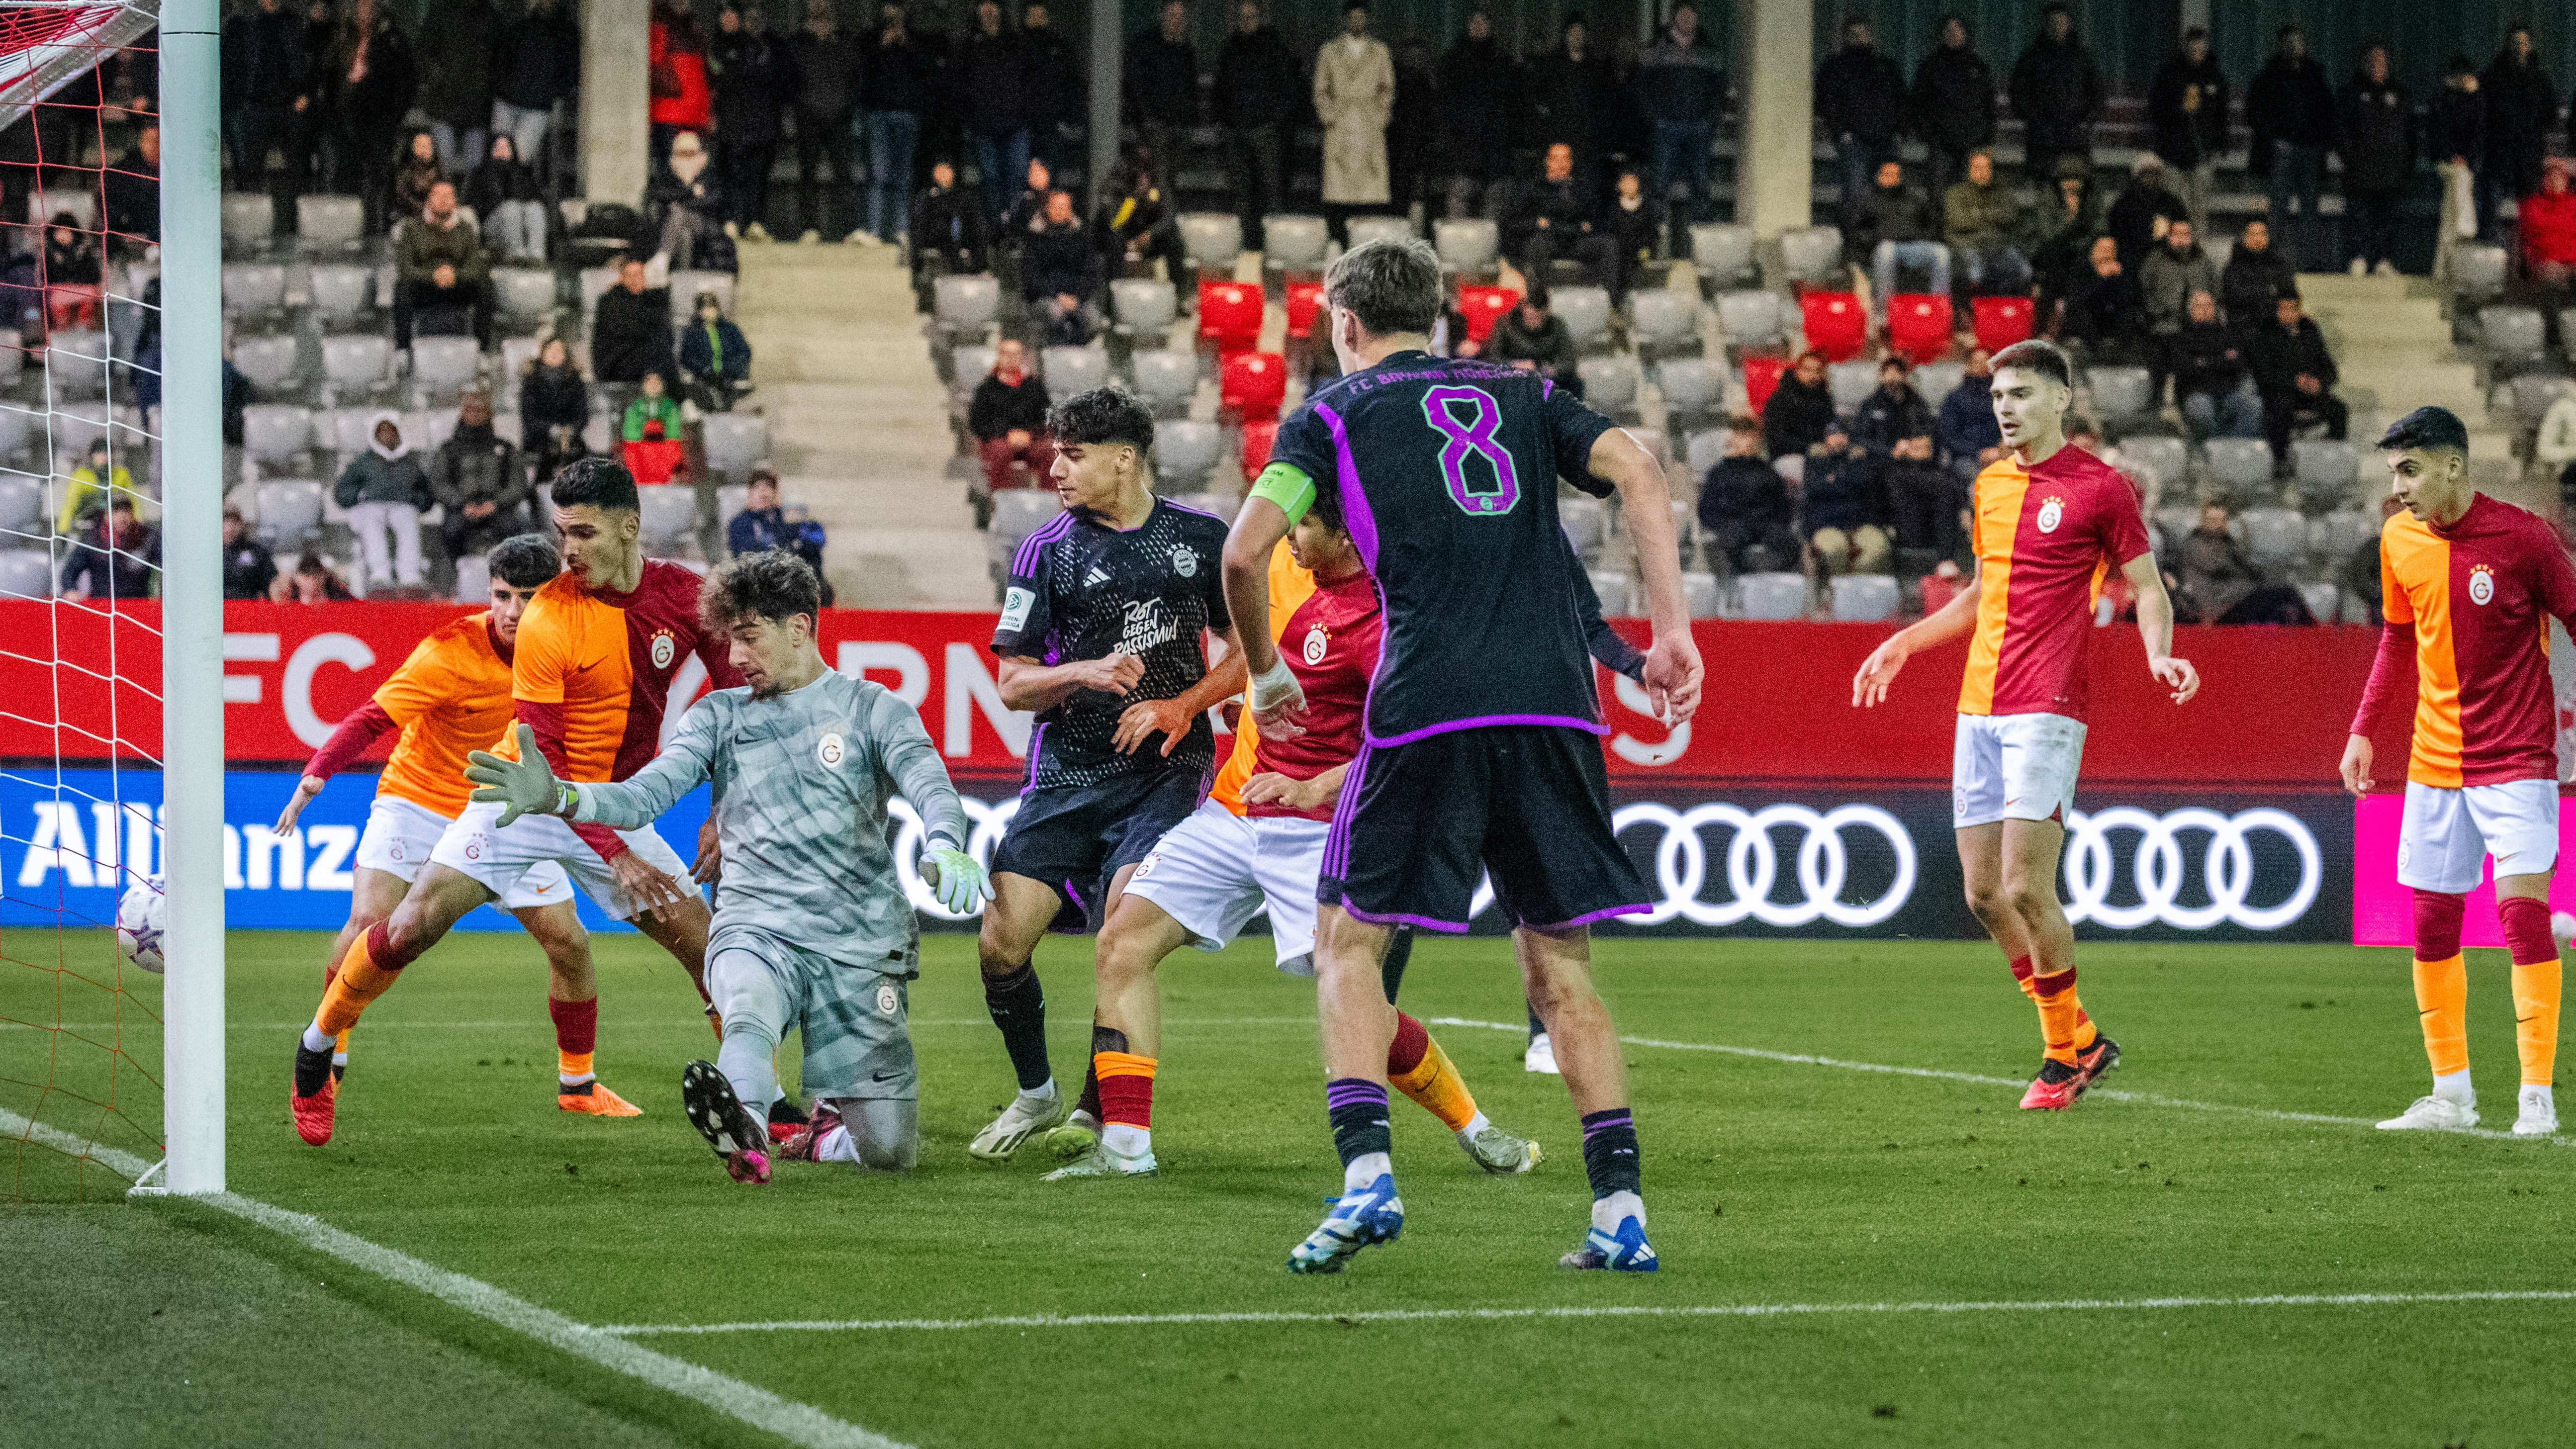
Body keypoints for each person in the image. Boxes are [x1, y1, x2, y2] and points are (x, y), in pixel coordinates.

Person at [1221, 236, 1698, 1274]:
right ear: (1433, 316)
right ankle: (1620, 1213)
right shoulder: (1525, 391)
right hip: (1554, 708)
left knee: (1346, 944)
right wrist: (1670, 630)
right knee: (1560, 968)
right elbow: (1640, 471)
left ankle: (1365, 1181)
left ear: (1344, 323)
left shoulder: (1332, 416)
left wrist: (1263, 671)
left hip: (1427, 700)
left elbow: (1245, 551)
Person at [1046, 498, 1539, 1180]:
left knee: (1357, 998)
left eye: (1305, 525)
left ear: (1345, 534)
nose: (1290, 535)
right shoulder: (1310, 593)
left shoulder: (1380, 623)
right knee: (1121, 940)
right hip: (1236, 811)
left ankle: (1478, 1129)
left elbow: (1407, 747)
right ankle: (1126, 1147)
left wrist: (1313, 788)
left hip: (1317, 830)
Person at [465, 549, 988, 1180]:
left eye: (747, 638)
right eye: (727, 639)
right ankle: (746, 1127)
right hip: (755, 923)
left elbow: (930, 785)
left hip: (858, 936)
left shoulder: (872, 708)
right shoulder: (719, 716)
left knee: (888, 1154)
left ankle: (825, 1137)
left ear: (798, 628)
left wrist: (945, 842)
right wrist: (562, 796)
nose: (733, 658)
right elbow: (641, 796)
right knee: (745, 1004)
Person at [287, 458, 743, 1147]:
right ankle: (319, 1045)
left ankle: (756, 1099)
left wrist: (721, 807)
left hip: (612, 805)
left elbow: (735, 707)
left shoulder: (687, 596)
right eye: (561, 533)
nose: (570, 551)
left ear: (631, 527)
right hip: (522, 799)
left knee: (708, 948)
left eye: (584, 533)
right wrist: (616, 855)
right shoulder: (550, 616)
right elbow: (547, 762)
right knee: (408, 926)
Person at [1853, 338, 2196, 1112]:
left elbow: (2146, 587)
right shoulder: (1991, 486)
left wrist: (2158, 656)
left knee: (2025, 887)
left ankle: (2059, 1056)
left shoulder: (2101, 488)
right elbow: (1980, 594)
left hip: (2047, 705)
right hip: (1980, 704)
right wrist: (1906, 641)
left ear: (2061, 400)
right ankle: (2083, 1036)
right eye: (1999, 395)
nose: (2005, 407)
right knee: (1981, 893)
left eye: (2021, 394)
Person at [271, 535, 641, 1119]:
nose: (515, 611)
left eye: (529, 597)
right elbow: (372, 719)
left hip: (502, 803)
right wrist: (315, 777)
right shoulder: (449, 649)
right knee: (372, 922)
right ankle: (327, 1059)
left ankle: (578, 1086)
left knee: (569, 941)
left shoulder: (571, 647)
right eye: (502, 596)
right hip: (416, 799)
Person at [969, 387, 1236, 1161]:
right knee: (999, 943)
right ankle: (1037, 1093)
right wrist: (1084, 671)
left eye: (1073, 454)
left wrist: (1183, 703)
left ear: (1124, 457)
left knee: (1122, 927)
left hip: (1165, 771)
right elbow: (1014, 684)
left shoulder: (1201, 540)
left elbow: (1249, 651)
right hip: (1065, 773)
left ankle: (1103, 1112)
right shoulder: (1047, 551)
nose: (1055, 469)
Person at [2343, 406, 2576, 1138]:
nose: (2400, 488)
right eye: (2394, 474)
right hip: (2432, 761)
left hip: (2517, 757)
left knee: (2520, 914)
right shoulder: (2398, 539)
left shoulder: (2526, 539)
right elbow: (2396, 639)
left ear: (2453, 465)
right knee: (2431, 922)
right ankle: (2451, 1096)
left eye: (2410, 471)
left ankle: (2535, 1097)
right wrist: (2362, 730)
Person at [2246, 25, 2336, 269]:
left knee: (2310, 208)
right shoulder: (2269, 77)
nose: (2294, 47)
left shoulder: (2315, 77)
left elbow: (2327, 113)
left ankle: (2310, 261)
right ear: (2280, 45)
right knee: (2278, 208)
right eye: (2289, 42)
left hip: (2309, 150)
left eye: (2298, 42)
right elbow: (2254, 113)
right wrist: (2275, 140)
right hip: (2281, 152)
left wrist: (2321, 143)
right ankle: (2273, 260)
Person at [1216, 2, 1300, 251]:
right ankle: (1245, 247)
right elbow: (1222, 87)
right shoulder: (1230, 48)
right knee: (1242, 193)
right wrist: (1226, 120)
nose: (1247, 21)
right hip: (1236, 129)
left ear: (1258, 18)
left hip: (1263, 128)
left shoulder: (1272, 47)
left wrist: (1273, 118)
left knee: (1271, 190)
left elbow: (1287, 83)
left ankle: (1276, 247)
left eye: (1251, 17)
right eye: (1243, 17)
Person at [1312, 1, 1393, 240]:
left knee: (1369, 197)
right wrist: (1330, 116)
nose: (1357, 20)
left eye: (1361, 16)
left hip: (1368, 125)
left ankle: (1365, 245)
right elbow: (1320, 89)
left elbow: (1387, 88)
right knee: (1339, 195)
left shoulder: (1380, 51)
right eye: (1353, 16)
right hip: (1341, 126)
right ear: (1346, 19)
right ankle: (1339, 245)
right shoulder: (1329, 51)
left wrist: (1379, 117)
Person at [1638, 2, 1722, 233]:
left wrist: (1710, 120)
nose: (1687, 19)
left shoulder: (1707, 49)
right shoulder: (1657, 48)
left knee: (1702, 188)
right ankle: (1659, 241)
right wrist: (1655, 119)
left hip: (1699, 129)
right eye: (1683, 15)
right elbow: (1643, 88)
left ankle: (1700, 244)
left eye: (1691, 15)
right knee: (1660, 187)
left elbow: (1718, 90)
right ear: (1674, 17)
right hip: (1667, 128)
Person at [223, 0, 313, 203]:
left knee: (297, 169)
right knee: (250, 170)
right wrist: (239, 99)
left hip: (287, 105)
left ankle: (293, 221)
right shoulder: (246, 23)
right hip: (256, 105)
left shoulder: (291, 22)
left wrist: (303, 92)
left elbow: (303, 59)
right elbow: (233, 63)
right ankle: (250, 223)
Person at [709, 3, 786, 237]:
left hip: (760, 124)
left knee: (757, 176)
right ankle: (730, 220)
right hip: (730, 124)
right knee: (729, 174)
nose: (727, 19)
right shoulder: (720, 45)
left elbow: (777, 85)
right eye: (724, 15)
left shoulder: (766, 46)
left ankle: (754, 222)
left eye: (731, 15)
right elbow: (714, 78)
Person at [1506, 144, 1622, 300]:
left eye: (1565, 159)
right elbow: (1514, 222)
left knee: (1609, 244)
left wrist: (1590, 225)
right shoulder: (1534, 187)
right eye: (1556, 159)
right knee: (1536, 246)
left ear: (1571, 163)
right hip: (1549, 240)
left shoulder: (1580, 188)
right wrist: (1536, 223)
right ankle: (1542, 302)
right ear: (1548, 162)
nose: (1561, 164)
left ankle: (1609, 303)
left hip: (1576, 240)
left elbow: (1597, 218)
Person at [2478, 25, 2560, 241]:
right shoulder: (2493, 77)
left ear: (2530, 45)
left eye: (2523, 43)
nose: (2520, 48)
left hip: (2528, 155)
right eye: (2515, 43)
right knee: (2492, 210)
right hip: (2499, 152)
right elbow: (2482, 113)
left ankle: (2528, 253)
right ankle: (2491, 252)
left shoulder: (2539, 80)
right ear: (2508, 45)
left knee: (2529, 210)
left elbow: (2550, 114)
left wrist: (2538, 135)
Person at [855, 0, 927, 245]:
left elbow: (926, 72)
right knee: (878, 173)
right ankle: (874, 230)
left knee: (903, 175)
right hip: (878, 114)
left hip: (908, 114)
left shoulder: (916, 39)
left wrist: (907, 44)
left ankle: (902, 230)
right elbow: (861, 72)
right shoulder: (871, 39)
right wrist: (882, 46)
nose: (893, 12)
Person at [2008, 4, 2104, 186]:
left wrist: (2084, 124)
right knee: (2043, 190)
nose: (2058, 26)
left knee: (2075, 188)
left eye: (2062, 21)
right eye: (2053, 22)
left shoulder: (2083, 58)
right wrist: (2036, 122)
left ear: (2069, 24)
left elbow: (2097, 95)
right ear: (2045, 25)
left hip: (2074, 138)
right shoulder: (2031, 58)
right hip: (2042, 138)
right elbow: (2019, 95)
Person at [333, 412, 430, 590]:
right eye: (382, 432)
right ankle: (380, 575)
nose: (387, 436)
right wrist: (361, 495)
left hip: (402, 508)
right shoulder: (363, 462)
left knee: (408, 517)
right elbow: (341, 493)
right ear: (375, 435)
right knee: (371, 518)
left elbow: (427, 495)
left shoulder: (410, 463)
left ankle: (409, 576)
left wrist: (415, 499)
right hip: (372, 508)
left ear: (399, 433)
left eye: (392, 431)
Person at [428, 390, 531, 557]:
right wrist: (461, 503)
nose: (476, 415)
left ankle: (509, 577)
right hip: (461, 508)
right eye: (470, 411)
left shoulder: (506, 449)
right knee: (453, 531)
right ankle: (457, 574)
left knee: (512, 530)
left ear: (490, 415)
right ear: (462, 414)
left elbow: (518, 485)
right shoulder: (449, 450)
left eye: (481, 411)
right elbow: (438, 484)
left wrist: (496, 503)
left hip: (499, 508)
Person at [2145, 27, 2227, 236]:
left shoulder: (2214, 76)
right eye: (2193, 48)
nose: (2198, 52)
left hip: (2202, 155)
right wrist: (2179, 109)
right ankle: (2165, 251)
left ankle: (2196, 254)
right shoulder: (2169, 74)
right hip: (2172, 155)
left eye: (2201, 48)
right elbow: (2156, 110)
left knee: (2199, 210)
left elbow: (2221, 115)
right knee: (2169, 208)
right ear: (2185, 48)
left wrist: (2221, 145)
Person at [1815, 15, 1905, 205]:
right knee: (1856, 195)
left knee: (1889, 196)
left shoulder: (1886, 67)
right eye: (1854, 33)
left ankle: (1883, 234)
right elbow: (1826, 101)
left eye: (1863, 33)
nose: (1858, 37)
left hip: (1885, 140)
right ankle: (1854, 234)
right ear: (1845, 37)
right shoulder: (1835, 66)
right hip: (1854, 141)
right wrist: (1841, 131)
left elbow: (1901, 100)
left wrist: (1898, 130)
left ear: (1871, 36)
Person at [2341, 45, 2414, 277]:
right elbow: (2341, 130)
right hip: (2360, 170)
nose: (2377, 65)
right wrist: (2351, 158)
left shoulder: (2399, 94)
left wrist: (2404, 163)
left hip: (2390, 170)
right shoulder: (2352, 93)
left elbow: (2410, 133)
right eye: (2373, 60)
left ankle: (2384, 260)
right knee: (2358, 215)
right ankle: (2358, 258)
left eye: (2382, 60)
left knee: (2387, 217)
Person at [1436, 10, 1516, 220]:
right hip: (1463, 151)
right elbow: (1445, 106)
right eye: (1474, 21)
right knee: (1458, 209)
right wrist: (1452, 141)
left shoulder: (1502, 62)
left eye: (1483, 22)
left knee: (1491, 215)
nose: (1478, 26)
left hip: (1494, 153)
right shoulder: (1453, 62)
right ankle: (1455, 251)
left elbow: (1510, 107)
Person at [2249, 294, 2348, 462]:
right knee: (2281, 408)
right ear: (2277, 311)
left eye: (2293, 309)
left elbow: (2328, 367)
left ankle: (2333, 458)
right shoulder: (2267, 333)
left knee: (2339, 410)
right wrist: (2295, 381)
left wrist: (2319, 383)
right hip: (2281, 392)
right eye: (2284, 309)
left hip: (2310, 393)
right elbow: (2265, 373)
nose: (2289, 313)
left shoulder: (2308, 330)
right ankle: (2280, 460)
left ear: (2299, 309)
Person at [392, 180, 489, 350]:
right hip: (425, 289)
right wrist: (434, 276)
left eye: (448, 196)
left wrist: (454, 275)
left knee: (485, 286)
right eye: (438, 195)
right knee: (402, 288)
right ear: (429, 200)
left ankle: (482, 351)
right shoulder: (411, 228)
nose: (443, 200)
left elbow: (475, 268)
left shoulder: (466, 230)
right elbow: (406, 269)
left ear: (456, 203)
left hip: (457, 289)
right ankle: (403, 351)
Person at [956, 0, 1029, 225]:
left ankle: (1014, 228)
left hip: (1015, 125)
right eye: (984, 5)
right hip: (984, 126)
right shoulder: (969, 45)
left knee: (1017, 178)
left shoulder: (1016, 43)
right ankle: (994, 227)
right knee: (990, 179)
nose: (988, 10)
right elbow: (960, 84)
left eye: (993, 5)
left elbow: (1028, 82)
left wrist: (1022, 111)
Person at [1909, 13, 1995, 201]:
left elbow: (1988, 105)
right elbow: (1919, 105)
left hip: (1972, 142)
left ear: (1965, 33)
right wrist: (1930, 135)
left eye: (1958, 29)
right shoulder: (1930, 67)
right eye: (1949, 30)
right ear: (1942, 34)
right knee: (1938, 197)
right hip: (1941, 144)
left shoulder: (1978, 67)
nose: (1954, 34)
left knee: (1973, 196)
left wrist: (1985, 137)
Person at [1697, 416, 1799, 574]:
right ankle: (1743, 583)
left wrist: (1773, 523)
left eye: (1751, 437)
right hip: (1732, 525)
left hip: (1765, 525)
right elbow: (1706, 510)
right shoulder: (1719, 473)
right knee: (1728, 546)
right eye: (1742, 436)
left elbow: (1782, 508)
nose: (1747, 442)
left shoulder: (1768, 472)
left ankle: (1770, 584)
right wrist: (1723, 525)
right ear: (1733, 439)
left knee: (1790, 545)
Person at [1528, 17, 1612, 208]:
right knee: (1558, 181)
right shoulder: (1553, 65)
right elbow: (1539, 96)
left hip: (1587, 137)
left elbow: (1602, 100)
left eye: (1580, 33)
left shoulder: (1594, 67)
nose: (1577, 37)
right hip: (1560, 134)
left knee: (1585, 183)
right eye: (1573, 33)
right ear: (1566, 36)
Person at [491, 0, 580, 174]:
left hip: (537, 105)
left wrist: (551, 91)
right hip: (508, 98)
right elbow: (502, 57)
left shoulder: (567, 31)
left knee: (522, 159)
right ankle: (498, 198)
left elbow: (571, 71)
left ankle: (515, 197)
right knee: (500, 157)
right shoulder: (522, 24)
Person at [1844, 159, 1948, 306]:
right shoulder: (1867, 198)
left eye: (1895, 175)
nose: (1891, 178)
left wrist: (1920, 237)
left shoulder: (1913, 198)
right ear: (1879, 176)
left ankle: (1939, 311)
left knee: (1942, 252)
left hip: (1913, 246)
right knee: (1887, 251)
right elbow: (1854, 231)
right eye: (1887, 174)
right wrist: (1878, 239)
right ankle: (1885, 315)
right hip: (1883, 248)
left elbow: (1931, 223)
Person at [1124, 0, 1197, 195]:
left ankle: (1164, 221)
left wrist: (1190, 119)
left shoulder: (1186, 51)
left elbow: (1191, 87)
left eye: (1180, 17)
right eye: (1173, 16)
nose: (1176, 21)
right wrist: (1145, 120)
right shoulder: (1146, 46)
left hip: (1180, 126)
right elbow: (1136, 86)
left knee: (1170, 180)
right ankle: (1165, 223)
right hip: (1156, 125)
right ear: (1163, 16)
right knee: (1161, 180)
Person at [1800, 419, 1890, 577]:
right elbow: (1814, 491)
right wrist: (1845, 482)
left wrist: (1834, 481)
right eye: (1833, 435)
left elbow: (1868, 486)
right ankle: (1836, 593)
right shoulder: (1816, 463)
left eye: (1843, 435)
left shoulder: (1860, 462)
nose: (1838, 439)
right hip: (1827, 524)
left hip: (1860, 524)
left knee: (1878, 547)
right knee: (1835, 551)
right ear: (1826, 439)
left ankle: (1860, 590)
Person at [416, 0, 498, 172]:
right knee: (442, 167)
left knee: (474, 172)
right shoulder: (441, 10)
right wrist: (440, 79)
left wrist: (485, 88)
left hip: (476, 105)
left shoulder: (489, 16)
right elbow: (425, 51)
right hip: (445, 101)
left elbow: (497, 59)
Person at [2169, 289, 2261, 443]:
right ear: (2191, 311)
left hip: (2229, 394)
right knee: (2202, 409)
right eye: (2199, 306)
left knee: (2256, 406)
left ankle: (2234, 449)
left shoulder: (2229, 335)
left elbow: (2238, 364)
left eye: (2209, 305)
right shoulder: (2181, 339)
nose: (2205, 310)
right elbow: (2186, 370)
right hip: (2197, 394)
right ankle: (2214, 451)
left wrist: (2203, 361)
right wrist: (2222, 359)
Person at [969, 338, 1054, 494]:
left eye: (1015, 354)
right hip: (999, 440)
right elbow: (978, 423)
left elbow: (1046, 417)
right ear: (999, 356)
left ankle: (1047, 506)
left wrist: (1029, 434)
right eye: (1006, 354)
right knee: (1000, 453)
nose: (1010, 358)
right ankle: (1000, 504)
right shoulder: (986, 389)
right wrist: (1007, 435)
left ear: (1021, 357)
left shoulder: (1034, 386)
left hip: (1030, 439)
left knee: (1049, 453)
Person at [2429, 56, 2485, 282]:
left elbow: (2479, 133)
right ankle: (2467, 224)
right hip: (2446, 162)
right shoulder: (2442, 100)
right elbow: (2439, 131)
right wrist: (2451, 155)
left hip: (2467, 165)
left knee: (2449, 216)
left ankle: (2442, 269)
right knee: (2458, 186)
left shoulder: (2477, 100)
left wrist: (2467, 158)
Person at [1942, 150, 2028, 296]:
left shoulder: (2001, 193)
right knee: (1976, 273)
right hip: (1966, 245)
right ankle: (1974, 312)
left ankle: (2011, 314)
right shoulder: (1956, 193)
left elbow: (2010, 216)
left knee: (2025, 270)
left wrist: (1978, 214)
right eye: (1977, 168)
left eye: (1986, 168)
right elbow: (1960, 221)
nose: (1982, 172)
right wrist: (1992, 216)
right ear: (1969, 171)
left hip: (1998, 246)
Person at [643, 129, 730, 273]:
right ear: (672, 159)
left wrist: (681, 201)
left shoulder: (710, 180)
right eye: (682, 154)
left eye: (691, 154)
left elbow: (714, 203)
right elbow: (657, 196)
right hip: (672, 234)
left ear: (702, 157)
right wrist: (690, 193)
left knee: (677, 210)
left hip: (705, 233)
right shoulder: (663, 180)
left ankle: (663, 256)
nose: (687, 159)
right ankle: (680, 279)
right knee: (685, 235)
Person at [1022, 189, 1100, 347]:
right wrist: (1058, 297)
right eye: (1056, 207)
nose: (1059, 211)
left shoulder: (1083, 238)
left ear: (1070, 211)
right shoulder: (1034, 238)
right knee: (1057, 316)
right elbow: (1032, 277)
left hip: (1077, 298)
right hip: (1046, 297)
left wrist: (1077, 297)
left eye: (1064, 207)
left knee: (1094, 319)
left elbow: (1091, 274)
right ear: (1048, 209)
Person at [1017, 1, 1083, 180]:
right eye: (1034, 15)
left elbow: (1074, 83)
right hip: (1022, 127)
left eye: (1041, 15)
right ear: (1026, 18)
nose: (1038, 20)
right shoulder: (1015, 47)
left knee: (1053, 180)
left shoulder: (1060, 47)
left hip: (1053, 126)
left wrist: (1070, 118)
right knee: (1022, 180)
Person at [1091, 152, 1180, 278]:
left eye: (1145, 176)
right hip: (1127, 239)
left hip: (1153, 240)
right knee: (1111, 243)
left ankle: (1175, 288)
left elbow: (1168, 218)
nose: (1143, 181)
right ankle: (1114, 288)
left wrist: (1151, 234)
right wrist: (1133, 203)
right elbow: (1115, 225)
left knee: (1173, 239)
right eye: (1139, 177)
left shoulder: (1159, 191)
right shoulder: (1123, 195)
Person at [911, 159, 989, 301]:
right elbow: (920, 230)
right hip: (937, 248)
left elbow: (976, 228)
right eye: (939, 171)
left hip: (960, 249)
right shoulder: (926, 197)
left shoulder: (966, 198)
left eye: (947, 171)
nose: (943, 176)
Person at [466, 133, 548, 265]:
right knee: (511, 208)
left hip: (522, 221)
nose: (502, 150)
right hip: (493, 227)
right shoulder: (480, 173)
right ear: (491, 150)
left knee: (535, 208)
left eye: (506, 147)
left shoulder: (523, 172)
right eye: (498, 147)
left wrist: (511, 175)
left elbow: (534, 198)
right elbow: (476, 207)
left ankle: (536, 257)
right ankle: (515, 257)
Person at [590, 258, 674, 386]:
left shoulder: (652, 301)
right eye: (630, 275)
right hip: (616, 363)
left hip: (644, 362)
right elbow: (622, 329)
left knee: (662, 347)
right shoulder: (610, 301)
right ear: (622, 278)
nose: (635, 279)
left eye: (639, 275)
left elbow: (667, 333)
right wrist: (649, 329)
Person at [2061, 234, 2144, 361]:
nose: (2107, 254)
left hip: (2112, 328)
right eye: (2103, 250)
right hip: (2085, 329)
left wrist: (2117, 279)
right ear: (2093, 252)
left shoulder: (2122, 274)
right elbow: (2078, 301)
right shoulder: (2080, 271)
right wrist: (2100, 279)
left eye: (2111, 250)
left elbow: (2129, 300)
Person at [519, 335, 590, 480]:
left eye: (560, 350)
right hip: (539, 440)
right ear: (543, 352)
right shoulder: (532, 382)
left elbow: (582, 413)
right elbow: (528, 417)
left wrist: (570, 430)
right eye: (551, 349)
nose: (555, 353)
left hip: (570, 440)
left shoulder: (575, 382)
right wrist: (550, 429)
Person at [59, 498, 156, 602]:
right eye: (116, 511)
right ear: (106, 515)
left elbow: (166, 563)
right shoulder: (93, 539)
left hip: (138, 605)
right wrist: (70, 589)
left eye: (126, 511)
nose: (122, 516)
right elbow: (70, 570)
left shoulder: (146, 537)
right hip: (103, 605)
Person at [2140, 216, 2216, 345]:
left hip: (2199, 327)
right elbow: (2144, 290)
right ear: (2169, 236)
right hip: (2165, 326)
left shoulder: (2202, 261)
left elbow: (2214, 288)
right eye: (2177, 234)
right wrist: (2158, 313)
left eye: (2186, 234)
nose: (2181, 239)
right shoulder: (2156, 260)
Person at [1486, 286, 1580, 390]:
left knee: (1574, 383)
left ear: (1546, 312)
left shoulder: (1556, 326)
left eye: (1539, 317)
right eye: (1532, 317)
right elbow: (1492, 358)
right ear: (1524, 310)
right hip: (1512, 379)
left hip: (1547, 379)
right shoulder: (1505, 324)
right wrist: (1515, 365)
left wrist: (1550, 369)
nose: (1535, 323)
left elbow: (1569, 360)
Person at [2520, 160, 2576, 332]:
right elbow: (2530, 238)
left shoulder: (2574, 205)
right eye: (2551, 177)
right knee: (2551, 274)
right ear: (2544, 181)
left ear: (2566, 181)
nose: (2555, 181)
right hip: (2545, 261)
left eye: (2560, 177)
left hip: (2572, 261)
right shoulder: (2532, 205)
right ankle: (2554, 333)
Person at [2104, 153, 2184, 272]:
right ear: (2137, 176)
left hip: (2167, 259)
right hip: (2133, 260)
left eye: (2156, 174)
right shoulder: (2123, 204)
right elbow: (2117, 236)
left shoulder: (2171, 202)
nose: (2153, 178)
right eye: (2147, 173)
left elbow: (2182, 229)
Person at [1937, 345, 2004, 485]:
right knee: (1977, 478)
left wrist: (2002, 448)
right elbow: (1949, 437)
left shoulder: (2002, 398)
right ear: (1967, 366)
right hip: (1966, 457)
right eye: (1977, 363)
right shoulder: (1955, 398)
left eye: (1987, 362)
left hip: (1999, 453)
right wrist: (1978, 453)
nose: (1983, 367)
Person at [677, 290, 753, 413]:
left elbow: (745, 352)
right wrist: (704, 369)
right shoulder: (692, 332)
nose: (708, 312)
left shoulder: (730, 329)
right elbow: (686, 356)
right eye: (704, 309)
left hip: (730, 379)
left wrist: (731, 367)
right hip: (704, 381)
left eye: (712, 308)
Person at [2218, 218, 2298, 326]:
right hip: (2243, 326)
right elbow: (2235, 297)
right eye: (2253, 234)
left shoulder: (2279, 265)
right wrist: (2268, 291)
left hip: (2273, 327)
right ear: (2245, 238)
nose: (2257, 238)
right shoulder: (2234, 267)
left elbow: (2288, 294)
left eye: (2261, 233)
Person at [1761, 349, 1836, 462]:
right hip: (1789, 457)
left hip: (1823, 456)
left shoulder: (1825, 400)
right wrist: (1808, 448)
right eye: (1807, 370)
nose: (1813, 375)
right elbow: (1776, 439)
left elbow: (1831, 427)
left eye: (1818, 371)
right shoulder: (1780, 400)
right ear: (1797, 371)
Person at [621, 371, 687, 486]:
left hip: (664, 453)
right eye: (649, 382)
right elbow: (631, 440)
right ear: (644, 385)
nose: (653, 386)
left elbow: (674, 436)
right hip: (641, 453)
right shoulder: (635, 408)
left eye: (657, 382)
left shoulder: (670, 407)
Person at [55, 439, 131, 535]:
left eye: (108, 453)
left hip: (113, 525)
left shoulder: (121, 474)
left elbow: (135, 500)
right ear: (92, 455)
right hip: (87, 525)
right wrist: (63, 530)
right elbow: (70, 504)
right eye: (99, 453)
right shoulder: (82, 475)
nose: (104, 457)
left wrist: (140, 526)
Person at [41, 212, 102, 332]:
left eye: (67, 231)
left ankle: (84, 327)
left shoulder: (83, 251)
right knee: (57, 300)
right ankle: (61, 329)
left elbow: (95, 276)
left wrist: (77, 278)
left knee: (90, 294)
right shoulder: (50, 253)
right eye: (60, 230)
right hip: (59, 291)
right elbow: (48, 278)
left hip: (81, 289)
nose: (64, 235)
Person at [102, 123, 160, 249]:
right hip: (132, 232)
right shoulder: (124, 170)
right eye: (147, 141)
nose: (152, 147)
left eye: (156, 141)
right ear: (141, 143)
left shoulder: (171, 170)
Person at [389, 127, 445, 224]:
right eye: (421, 146)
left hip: (437, 212)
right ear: (414, 149)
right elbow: (403, 196)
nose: (425, 150)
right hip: (411, 215)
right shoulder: (407, 169)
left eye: (428, 146)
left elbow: (447, 189)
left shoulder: (439, 168)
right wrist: (423, 208)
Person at [222, 507, 278, 600]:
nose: (229, 529)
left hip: (249, 606)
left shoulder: (256, 551)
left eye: (234, 523)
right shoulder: (209, 554)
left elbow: (270, 580)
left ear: (241, 525)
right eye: (224, 523)